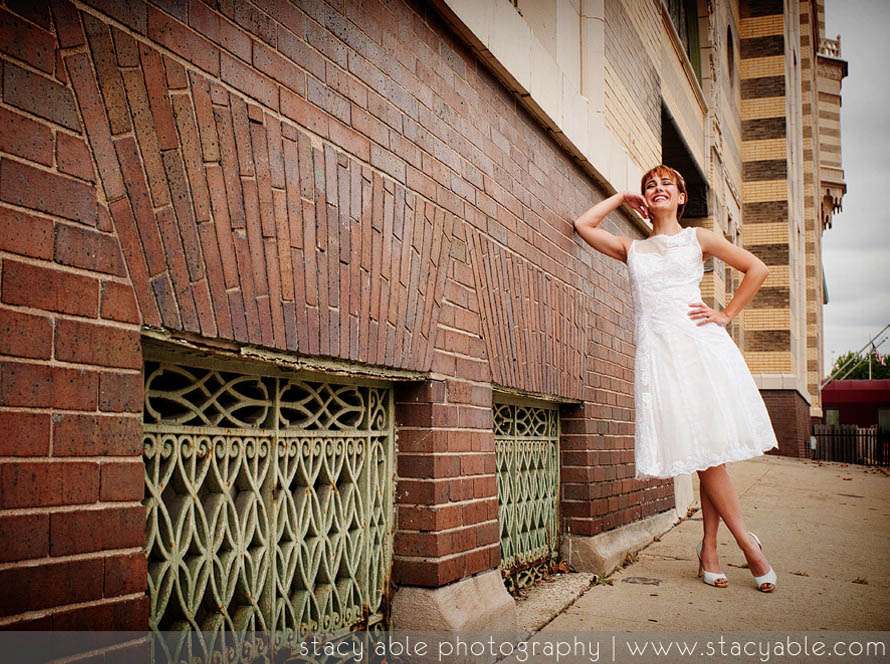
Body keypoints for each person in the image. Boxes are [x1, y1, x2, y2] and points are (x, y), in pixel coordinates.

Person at [572, 164, 778, 592]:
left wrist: (726, 314)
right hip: (661, 359)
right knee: (705, 455)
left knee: (710, 455)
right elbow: (583, 225)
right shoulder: (632, 248)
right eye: (651, 185)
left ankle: (739, 546)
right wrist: (621, 198)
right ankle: (719, 548)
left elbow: (757, 269)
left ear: (682, 197)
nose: (658, 188)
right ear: (645, 201)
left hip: (701, 351)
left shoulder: (697, 239)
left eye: (667, 183)